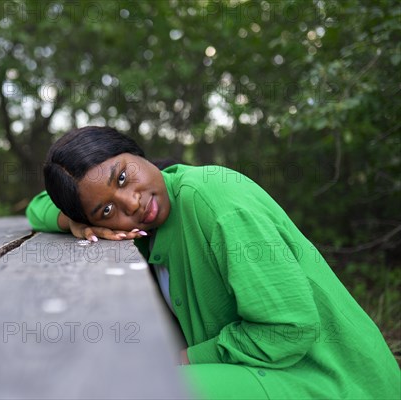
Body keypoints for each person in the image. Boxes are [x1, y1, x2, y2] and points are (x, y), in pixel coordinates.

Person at [26, 126, 400, 399]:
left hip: (331, 379)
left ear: (138, 153)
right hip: (270, 369)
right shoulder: (144, 221)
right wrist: (74, 221)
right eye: (107, 208)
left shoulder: (212, 199)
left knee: (134, 386)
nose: (131, 203)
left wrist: (184, 359)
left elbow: (288, 330)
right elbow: (38, 206)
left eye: (123, 177)